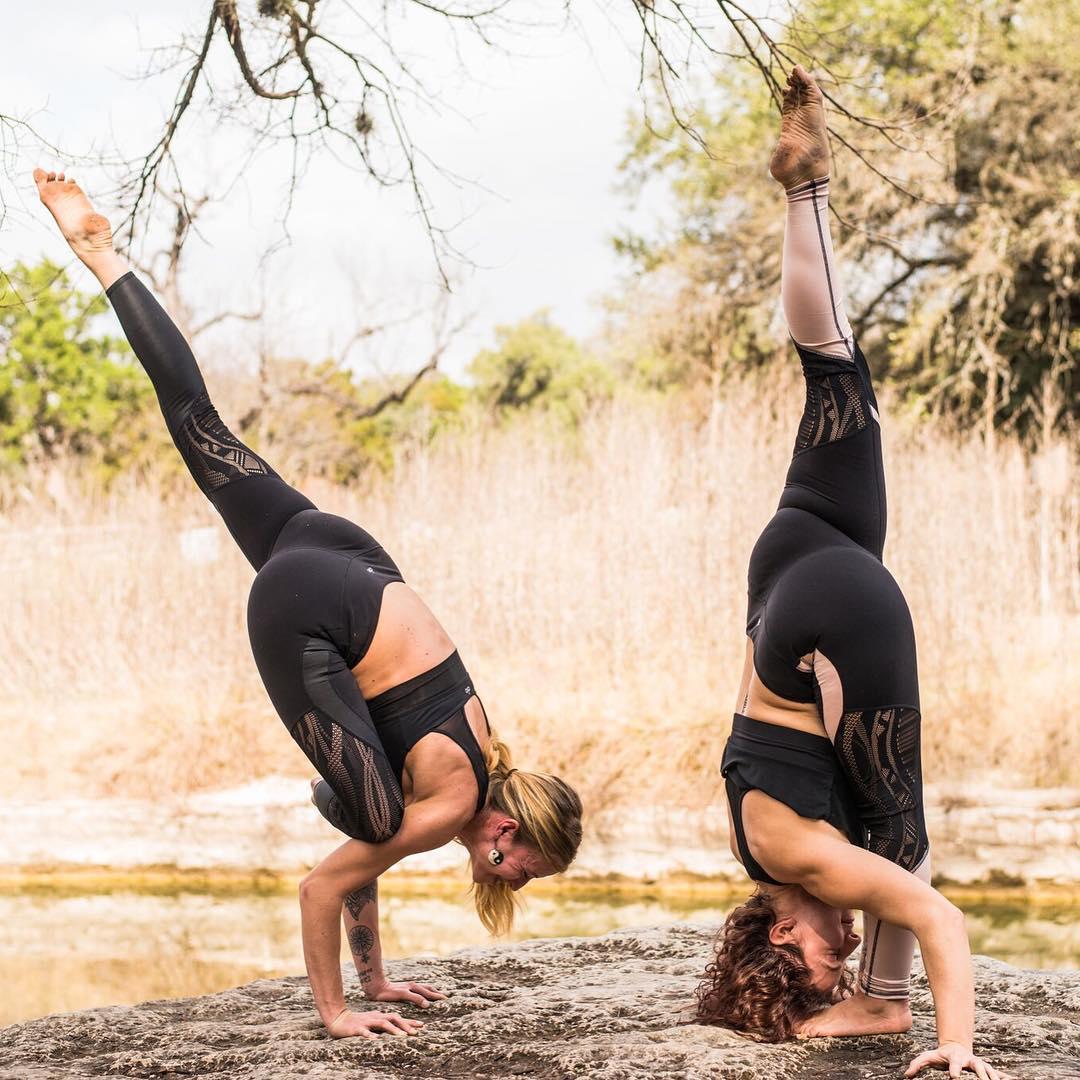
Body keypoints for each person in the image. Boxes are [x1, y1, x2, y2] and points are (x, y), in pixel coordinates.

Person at [34, 168, 583, 1041]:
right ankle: (331, 819)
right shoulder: (449, 809)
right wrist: (339, 1012)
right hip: (307, 607)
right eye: (521, 867)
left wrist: (379, 976)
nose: (510, 878)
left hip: (343, 552)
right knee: (361, 817)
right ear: (506, 828)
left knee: (197, 420)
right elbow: (325, 883)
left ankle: (102, 257)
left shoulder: (484, 749)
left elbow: (374, 850)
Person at [696, 67, 1004, 1080]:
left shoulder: (803, 861)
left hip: (835, 610)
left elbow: (933, 910)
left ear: (783, 937)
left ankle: (892, 1002)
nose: (835, 937)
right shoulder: (757, 839)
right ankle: (806, 188)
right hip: (795, 558)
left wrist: (945, 1044)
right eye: (846, 966)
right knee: (835, 366)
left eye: (825, 962)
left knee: (904, 842)